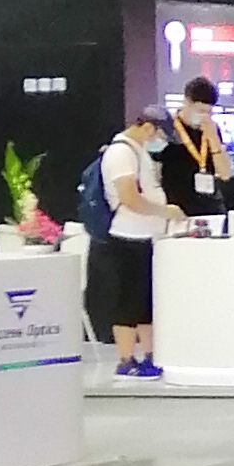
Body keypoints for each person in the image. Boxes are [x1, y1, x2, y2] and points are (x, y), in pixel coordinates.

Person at [92, 100, 177, 383]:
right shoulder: (121, 153)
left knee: (143, 301)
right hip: (126, 236)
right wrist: (164, 211)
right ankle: (126, 360)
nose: (160, 142)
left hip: (143, 236)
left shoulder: (138, 151)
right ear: (148, 128)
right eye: (160, 135)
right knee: (128, 301)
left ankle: (150, 356)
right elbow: (129, 198)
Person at [157, 78, 231, 219]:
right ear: (186, 102)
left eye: (209, 112)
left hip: (211, 207)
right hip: (178, 209)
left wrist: (213, 138)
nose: (204, 116)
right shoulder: (167, 128)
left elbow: (225, 174)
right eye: (200, 111)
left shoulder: (212, 128)